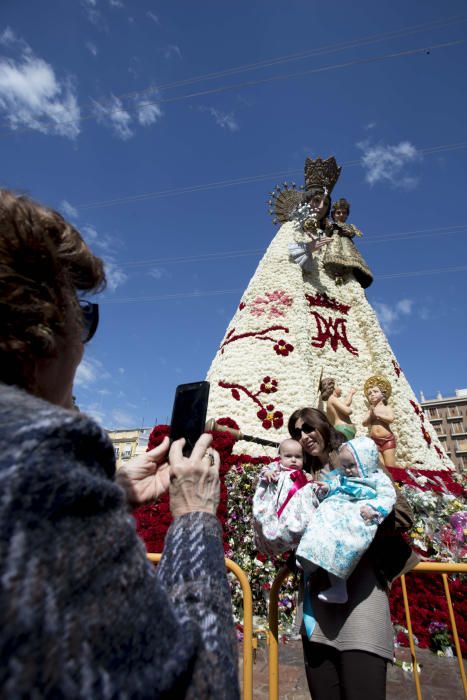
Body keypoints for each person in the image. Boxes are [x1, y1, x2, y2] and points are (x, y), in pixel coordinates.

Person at [0, 190, 239, 699]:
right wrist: (195, 518)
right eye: (83, 318)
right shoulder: (38, 448)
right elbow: (196, 685)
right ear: (47, 333)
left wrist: (109, 486)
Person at [288, 406, 414, 700]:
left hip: (363, 590)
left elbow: (403, 514)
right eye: (297, 432)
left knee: (363, 686)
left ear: (322, 424)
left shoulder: (355, 457)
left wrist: (353, 518)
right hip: (318, 596)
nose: (304, 436)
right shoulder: (300, 474)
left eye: (308, 427)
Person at [295, 437, 396, 604]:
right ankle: (310, 557)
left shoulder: (378, 478)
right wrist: (326, 488)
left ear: (366, 462)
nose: (348, 470)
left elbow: (388, 497)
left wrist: (374, 509)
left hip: (356, 516)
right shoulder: (344, 477)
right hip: (335, 512)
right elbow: (335, 484)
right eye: (345, 466)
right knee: (319, 526)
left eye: (352, 466)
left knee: (344, 547)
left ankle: (339, 588)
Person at [252, 439, 318, 557]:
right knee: (268, 521)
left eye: (298, 457)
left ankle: (295, 538)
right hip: (276, 504)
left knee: (298, 523)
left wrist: (309, 480)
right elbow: (263, 471)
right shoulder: (276, 468)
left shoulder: (302, 474)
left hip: (293, 508)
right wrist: (268, 474)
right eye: (288, 456)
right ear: (280, 457)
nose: (293, 459)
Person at [363, 375, 396, 468]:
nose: (372, 394)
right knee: (381, 467)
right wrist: (371, 415)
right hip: (374, 441)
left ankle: (397, 482)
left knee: (390, 466)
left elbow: (391, 419)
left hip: (387, 440)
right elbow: (364, 423)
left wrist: (378, 415)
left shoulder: (386, 407)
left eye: (375, 392)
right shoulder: (370, 409)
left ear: (383, 394)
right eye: (369, 393)